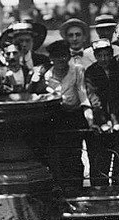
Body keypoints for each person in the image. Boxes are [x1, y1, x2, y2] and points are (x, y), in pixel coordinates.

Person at [36, 39, 94, 190]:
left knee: (74, 156)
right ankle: (61, 192)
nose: (61, 60)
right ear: (51, 59)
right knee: (56, 157)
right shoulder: (47, 76)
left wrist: (88, 115)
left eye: (64, 56)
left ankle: (77, 190)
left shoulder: (77, 70)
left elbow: (82, 93)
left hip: (74, 117)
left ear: (69, 57)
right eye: (57, 57)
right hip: (55, 118)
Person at [85, 39, 119, 185]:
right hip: (101, 120)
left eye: (107, 55)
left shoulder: (118, 68)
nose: (104, 59)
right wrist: (103, 121)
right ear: (95, 56)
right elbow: (94, 98)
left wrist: (117, 122)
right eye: (100, 55)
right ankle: (99, 191)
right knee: (100, 160)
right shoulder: (91, 72)